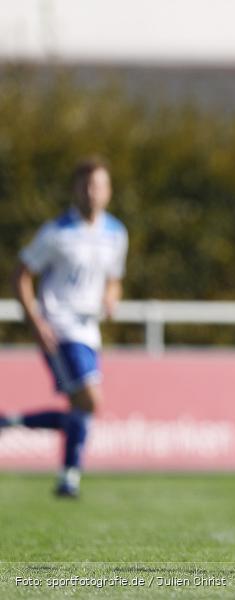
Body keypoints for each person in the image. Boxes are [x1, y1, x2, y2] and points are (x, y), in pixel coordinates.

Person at [0, 157, 128, 498]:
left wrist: (111, 298)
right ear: (75, 190)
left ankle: (65, 475)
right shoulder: (56, 232)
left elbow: (114, 280)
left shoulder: (116, 233)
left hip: (89, 330)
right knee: (90, 401)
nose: (92, 193)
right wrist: (36, 321)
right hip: (59, 327)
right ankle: (68, 474)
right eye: (86, 186)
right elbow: (21, 275)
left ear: (109, 191)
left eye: (99, 186)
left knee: (80, 408)